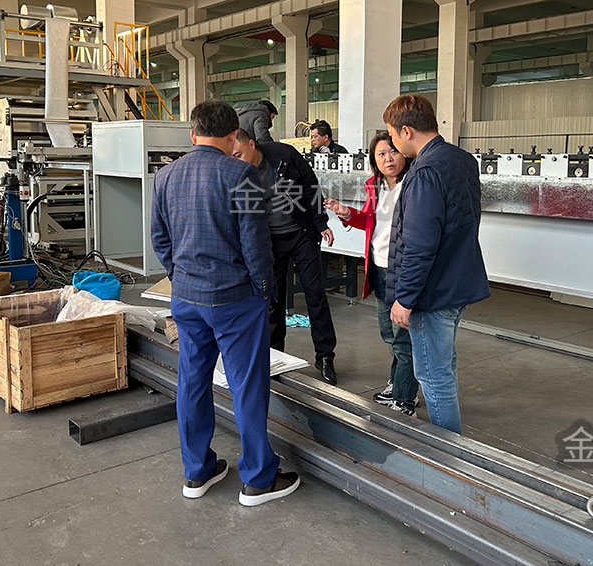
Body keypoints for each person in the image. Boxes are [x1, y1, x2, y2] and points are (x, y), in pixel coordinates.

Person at [151, 100, 299, 506]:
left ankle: (197, 472)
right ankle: (258, 478)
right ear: (234, 136)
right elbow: (256, 244)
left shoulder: (165, 177)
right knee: (247, 385)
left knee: (192, 382)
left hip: (186, 298)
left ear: (192, 134)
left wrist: (181, 276)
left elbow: (160, 239)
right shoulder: (242, 175)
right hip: (234, 299)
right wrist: (264, 289)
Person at [383, 94, 490, 434]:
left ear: (407, 131)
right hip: (458, 282)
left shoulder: (424, 173)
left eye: (393, 136)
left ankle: (448, 453)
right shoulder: (462, 160)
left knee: (432, 374)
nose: (394, 145)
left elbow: (419, 245)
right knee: (443, 364)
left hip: (434, 291)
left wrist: (405, 298)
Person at [231, 128, 339, 385]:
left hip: (301, 234)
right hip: (268, 242)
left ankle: (325, 356)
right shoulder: (236, 174)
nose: (235, 160)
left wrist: (321, 223)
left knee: (315, 294)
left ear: (252, 144)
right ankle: (274, 357)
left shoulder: (282, 155)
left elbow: (310, 185)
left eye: (238, 154)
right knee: (273, 301)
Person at [324, 132, 419, 416]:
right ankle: (399, 382)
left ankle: (405, 399)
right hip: (378, 265)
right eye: (381, 154)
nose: (388, 158)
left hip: (402, 268)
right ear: (374, 160)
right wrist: (345, 213)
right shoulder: (375, 186)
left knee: (403, 337)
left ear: (404, 153)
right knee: (388, 332)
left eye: (393, 151)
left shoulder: (413, 184)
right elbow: (370, 221)